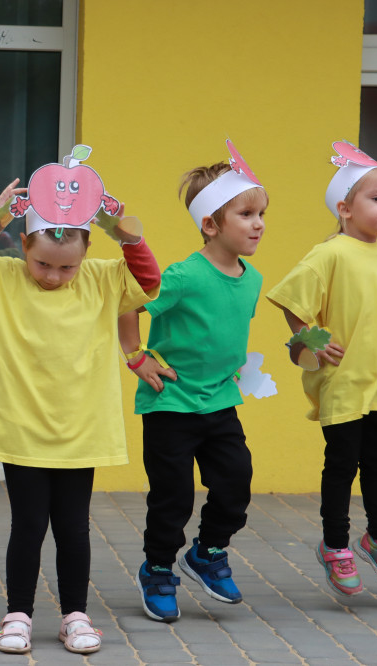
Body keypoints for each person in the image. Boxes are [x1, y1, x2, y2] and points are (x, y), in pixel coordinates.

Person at [0, 146, 161, 655]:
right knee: (28, 525)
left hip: (80, 429)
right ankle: (17, 614)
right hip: (21, 429)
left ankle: (75, 616)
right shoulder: (3, 276)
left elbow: (147, 283)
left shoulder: (104, 278)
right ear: (23, 244)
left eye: (66, 268)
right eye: (42, 263)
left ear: (85, 253)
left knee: (72, 527)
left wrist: (127, 235)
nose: (52, 276)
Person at [119, 141, 266, 622]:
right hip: (171, 403)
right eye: (246, 214)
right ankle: (158, 569)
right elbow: (129, 305)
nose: (258, 223)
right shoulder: (183, 275)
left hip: (220, 402)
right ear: (210, 225)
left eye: (261, 213)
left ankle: (207, 552)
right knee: (173, 497)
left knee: (236, 482)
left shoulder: (253, 278)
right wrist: (136, 356)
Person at [266, 142, 377, 597]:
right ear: (345, 209)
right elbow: (290, 299)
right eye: (376, 198)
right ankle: (335, 546)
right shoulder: (329, 253)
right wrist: (313, 340)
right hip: (345, 381)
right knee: (342, 463)